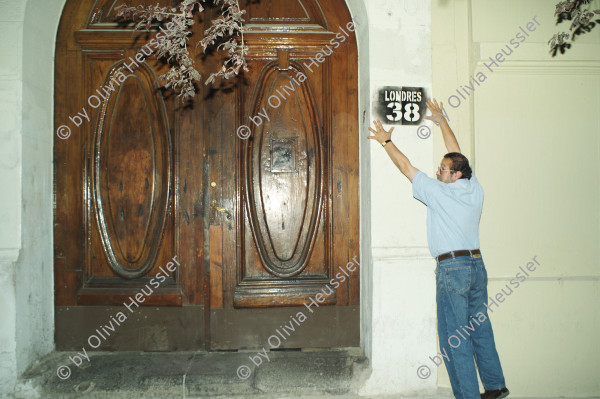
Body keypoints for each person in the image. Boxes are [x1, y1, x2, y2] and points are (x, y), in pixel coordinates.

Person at [368, 99, 509, 399]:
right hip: (476, 266)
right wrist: (442, 121)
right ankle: (495, 385)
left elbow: (406, 167)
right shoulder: (474, 187)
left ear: (454, 175)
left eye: (442, 169)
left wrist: (387, 141)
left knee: (455, 337)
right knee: (479, 328)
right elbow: (458, 154)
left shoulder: (439, 193)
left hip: (453, 270)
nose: (437, 172)